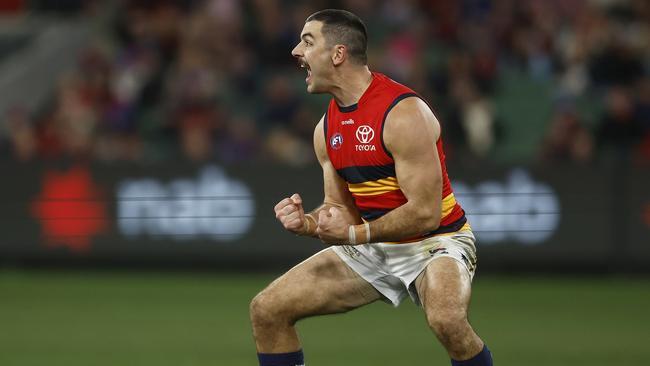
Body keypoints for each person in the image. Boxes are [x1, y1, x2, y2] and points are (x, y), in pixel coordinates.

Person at [250, 9, 493, 366]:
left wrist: (355, 234)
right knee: (267, 309)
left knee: (447, 320)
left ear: (337, 54)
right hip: (373, 243)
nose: (295, 52)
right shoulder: (326, 128)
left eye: (307, 41)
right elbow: (339, 209)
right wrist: (310, 224)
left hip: (436, 242)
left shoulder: (403, 113)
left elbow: (425, 213)